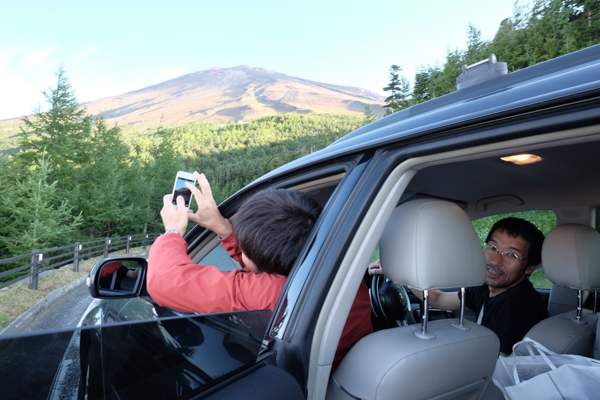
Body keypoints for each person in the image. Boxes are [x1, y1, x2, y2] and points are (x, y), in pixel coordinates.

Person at [147, 171, 373, 371]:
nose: (242, 253)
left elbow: (164, 282)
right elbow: (265, 263)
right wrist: (221, 226)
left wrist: (173, 232)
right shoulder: (337, 272)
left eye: (244, 250)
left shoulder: (276, 293)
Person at [369, 217, 549, 356]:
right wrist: (398, 270)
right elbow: (438, 299)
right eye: (492, 247)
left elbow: (501, 364)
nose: (495, 260)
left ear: (530, 268)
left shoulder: (518, 304)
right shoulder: (486, 287)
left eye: (511, 254)